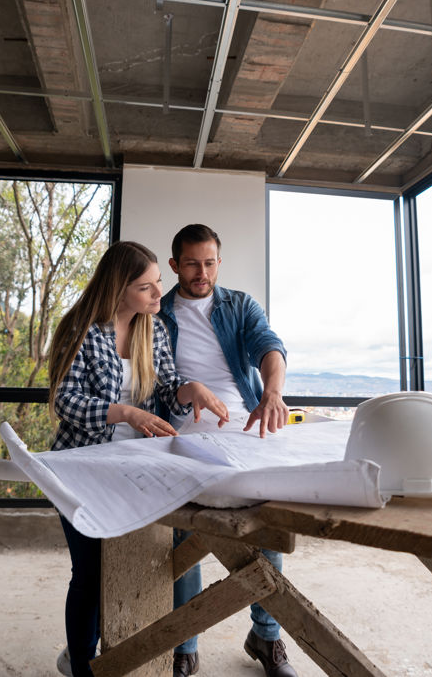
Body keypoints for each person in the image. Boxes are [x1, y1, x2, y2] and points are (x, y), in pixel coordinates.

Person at [47, 240, 228, 677]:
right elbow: (65, 401)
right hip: (82, 467)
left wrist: (192, 389)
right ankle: (82, 664)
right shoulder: (80, 329)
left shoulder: (155, 330)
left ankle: (99, 656)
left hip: (134, 467)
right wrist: (125, 412)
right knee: (89, 573)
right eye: (146, 288)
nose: (158, 295)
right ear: (118, 289)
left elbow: (168, 389)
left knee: (140, 567)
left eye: (158, 284)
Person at [157, 223, 296, 677]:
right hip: (182, 428)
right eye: (193, 263)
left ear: (220, 261)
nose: (202, 272)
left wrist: (272, 392)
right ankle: (185, 643)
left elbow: (268, 347)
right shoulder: (155, 312)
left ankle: (267, 635)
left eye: (210, 262)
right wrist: (186, 390)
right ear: (175, 264)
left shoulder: (239, 305)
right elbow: (153, 381)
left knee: (265, 520)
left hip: (244, 423)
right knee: (187, 531)